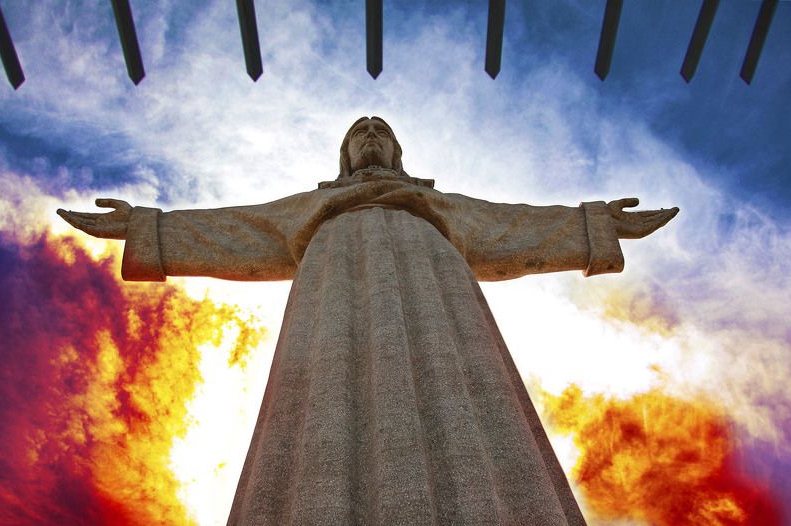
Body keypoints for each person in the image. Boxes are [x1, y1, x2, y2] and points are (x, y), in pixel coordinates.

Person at [59, 116, 678, 526]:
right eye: (361, 134)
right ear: (346, 153)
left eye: (381, 133)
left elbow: (513, 224)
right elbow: (231, 228)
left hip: (438, 284)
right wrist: (146, 226)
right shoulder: (314, 210)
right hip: (330, 288)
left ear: (397, 152)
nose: (372, 138)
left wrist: (596, 224)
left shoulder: (436, 207)